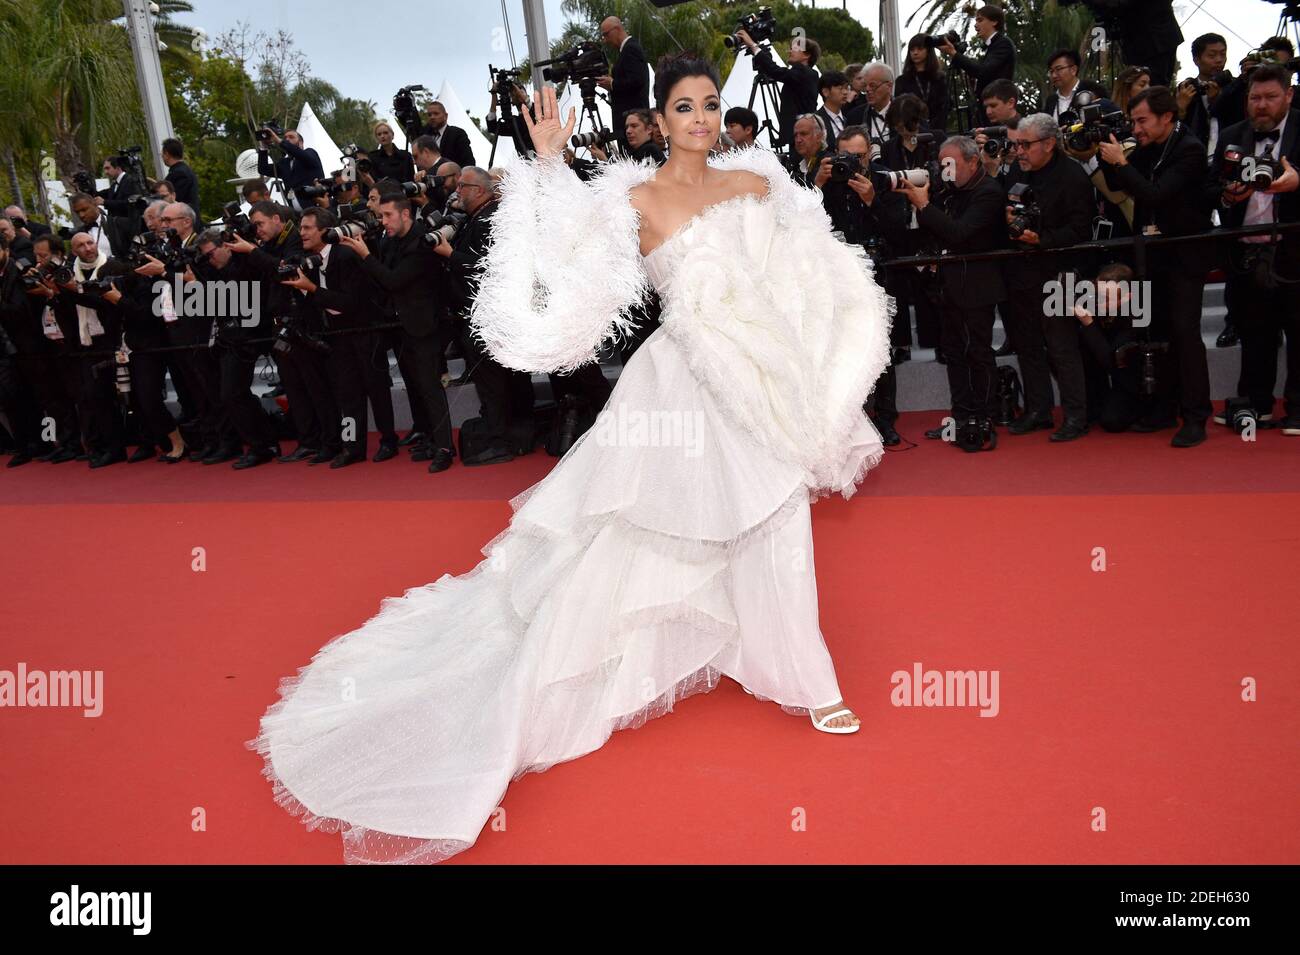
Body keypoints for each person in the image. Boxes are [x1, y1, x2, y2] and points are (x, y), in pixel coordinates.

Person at [251, 54, 894, 864]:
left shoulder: (757, 184)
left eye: (708, 105)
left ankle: (800, 670)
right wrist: (549, 163)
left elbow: (808, 273)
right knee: (636, 530)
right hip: (684, 382)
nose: (698, 119)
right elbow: (569, 267)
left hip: (762, 381)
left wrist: (817, 356)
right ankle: (584, 658)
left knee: (775, 512)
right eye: (683, 107)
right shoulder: (633, 196)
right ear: (658, 120)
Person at [741, 30, 821, 150]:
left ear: (806, 55)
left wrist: (753, 46)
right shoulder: (806, 74)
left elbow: (776, 71)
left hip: (800, 135)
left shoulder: (803, 72)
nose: (790, 51)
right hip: (802, 134)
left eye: (794, 49)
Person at [939, 4, 1016, 127]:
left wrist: (953, 53)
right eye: (976, 21)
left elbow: (982, 71)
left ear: (994, 22)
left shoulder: (1003, 43)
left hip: (999, 110)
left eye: (980, 20)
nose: (975, 25)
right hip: (990, 111)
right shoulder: (993, 46)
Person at [597, 16, 650, 153]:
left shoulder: (631, 49)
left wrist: (613, 83)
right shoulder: (627, 50)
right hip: (628, 122)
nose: (605, 40)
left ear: (617, 29)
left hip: (633, 122)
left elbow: (637, 80)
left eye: (606, 34)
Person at [896, 35, 950, 133]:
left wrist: (934, 129)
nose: (915, 53)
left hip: (937, 131)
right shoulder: (902, 80)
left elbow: (944, 108)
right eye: (912, 50)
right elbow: (900, 109)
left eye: (920, 49)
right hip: (911, 131)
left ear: (928, 50)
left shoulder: (940, 78)